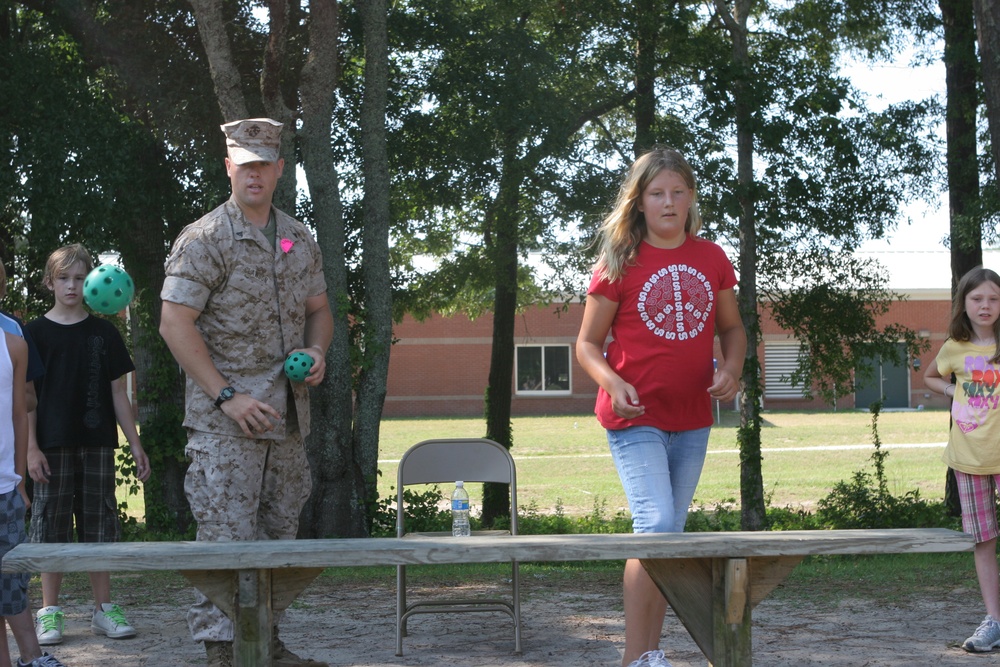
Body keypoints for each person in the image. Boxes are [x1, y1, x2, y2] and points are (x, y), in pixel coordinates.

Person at [159, 118, 334, 667]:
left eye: (265, 163)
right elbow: (173, 323)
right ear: (229, 167)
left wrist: (319, 353)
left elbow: (321, 310)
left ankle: (266, 643)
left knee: (278, 535)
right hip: (226, 425)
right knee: (225, 539)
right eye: (245, 162)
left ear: (280, 170)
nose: (254, 173)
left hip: (286, 419)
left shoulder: (298, 237)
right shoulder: (206, 238)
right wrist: (225, 395)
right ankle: (222, 652)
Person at [576, 147, 746, 667]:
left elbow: (733, 329)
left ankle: (650, 653)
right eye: (657, 193)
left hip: (692, 418)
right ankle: (636, 659)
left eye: (677, 192)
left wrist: (732, 370)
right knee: (657, 527)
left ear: (691, 197)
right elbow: (585, 345)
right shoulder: (619, 263)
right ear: (640, 201)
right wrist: (613, 381)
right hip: (634, 417)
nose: (668, 202)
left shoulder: (712, 257)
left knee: (665, 533)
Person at [24, 244, 151, 647]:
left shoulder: (104, 332)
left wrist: (134, 443)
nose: (72, 285)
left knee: (99, 527)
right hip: (50, 446)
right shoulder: (34, 333)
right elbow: (25, 399)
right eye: (64, 278)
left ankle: (103, 611)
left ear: (91, 282)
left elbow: (118, 394)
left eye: (79, 278)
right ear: (50, 282)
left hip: (97, 445)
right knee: (50, 530)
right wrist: (30, 448)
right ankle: (49, 612)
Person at [923, 266, 1000, 652]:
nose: (985, 305)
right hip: (968, 458)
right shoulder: (955, 345)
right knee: (983, 540)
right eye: (977, 298)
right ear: (964, 304)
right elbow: (930, 376)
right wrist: (953, 389)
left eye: (993, 298)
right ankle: (994, 620)